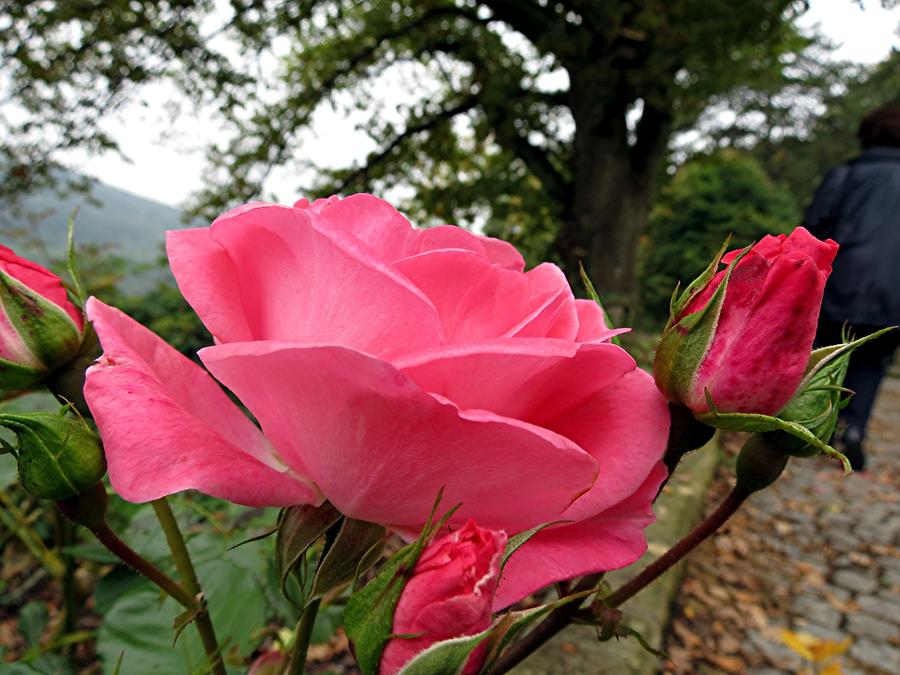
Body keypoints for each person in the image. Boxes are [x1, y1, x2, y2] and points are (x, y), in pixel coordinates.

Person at [802, 102, 900, 471]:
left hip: (841, 281)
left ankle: (813, 424)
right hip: (894, 294)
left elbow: (813, 231)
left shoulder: (845, 176)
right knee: (873, 361)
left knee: (828, 352)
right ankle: (854, 429)